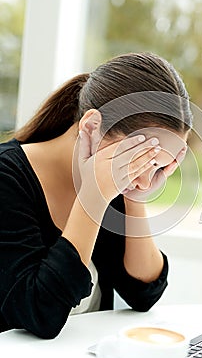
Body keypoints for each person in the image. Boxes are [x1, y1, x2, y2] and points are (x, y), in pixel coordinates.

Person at [0, 52, 192, 339]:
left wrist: (134, 197)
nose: (142, 177)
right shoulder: (7, 178)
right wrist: (93, 196)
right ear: (91, 127)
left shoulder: (113, 179)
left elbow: (143, 294)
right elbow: (40, 313)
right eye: (137, 160)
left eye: (157, 165)